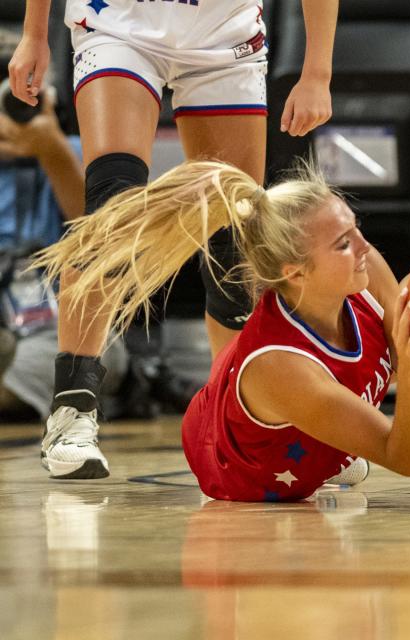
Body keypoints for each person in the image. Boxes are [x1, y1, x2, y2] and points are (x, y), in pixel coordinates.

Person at [32, 160, 410, 499]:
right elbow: (409, 460)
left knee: (402, 335)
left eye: (356, 231)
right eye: (343, 243)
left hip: (298, 427)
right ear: (294, 271)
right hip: (233, 461)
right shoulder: (285, 368)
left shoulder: (364, 272)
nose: (364, 248)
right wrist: (408, 363)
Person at [8, 0, 338, 478]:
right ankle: (73, 408)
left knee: (237, 235)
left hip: (225, 31)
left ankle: (249, 418)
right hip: (119, 22)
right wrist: (34, 34)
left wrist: (317, 73)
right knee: (112, 210)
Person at [0, 86, 128, 420]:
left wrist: (51, 150)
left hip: (59, 324)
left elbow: (103, 236)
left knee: (94, 352)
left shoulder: (74, 151)